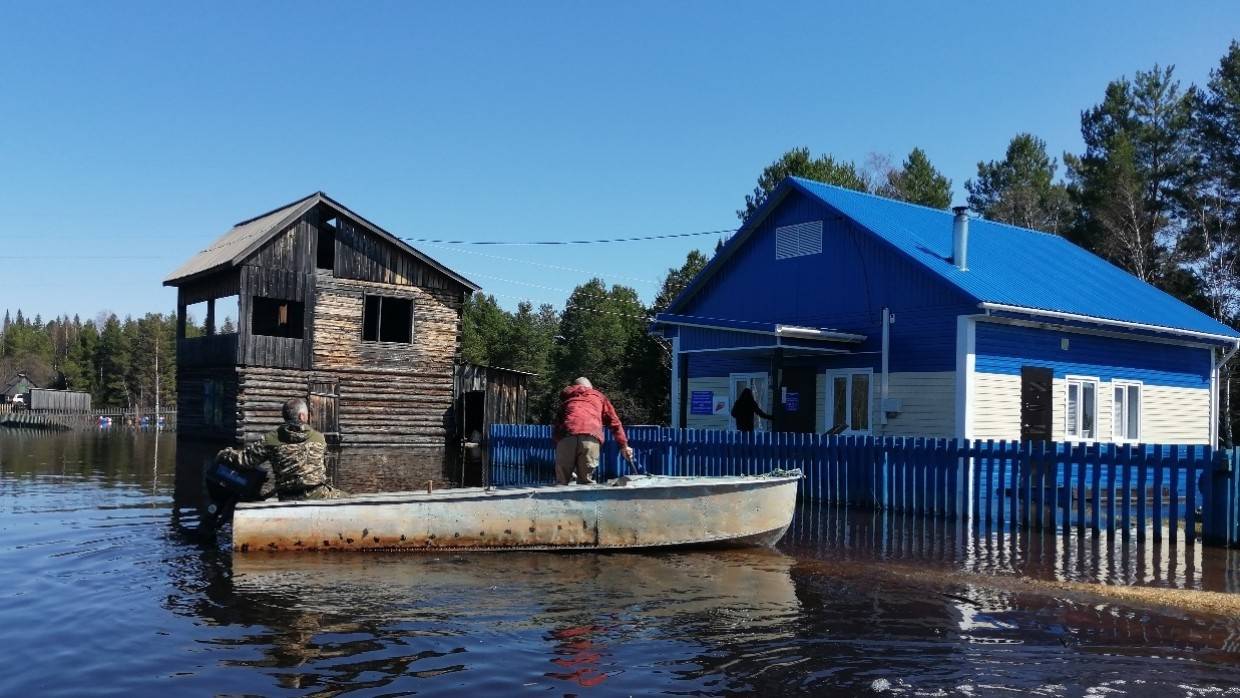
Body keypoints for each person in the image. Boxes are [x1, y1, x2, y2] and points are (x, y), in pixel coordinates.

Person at [217, 397, 346, 501]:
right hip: (318, 496)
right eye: (307, 414)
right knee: (348, 497)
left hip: (287, 498)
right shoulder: (319, 438)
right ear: (302, 417)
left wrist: (225, 453)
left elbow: (244, 461)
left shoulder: (270, 439)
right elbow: (324, 467)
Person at [553, 377, 633, 485]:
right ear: (590, 387)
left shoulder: (567, 399)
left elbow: (557, 426)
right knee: (586, 481)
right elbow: (615, 423)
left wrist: (560, 445)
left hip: (567, 435)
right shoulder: (598, 397)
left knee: (561, 482)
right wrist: (624, 446)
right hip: (590, 436)